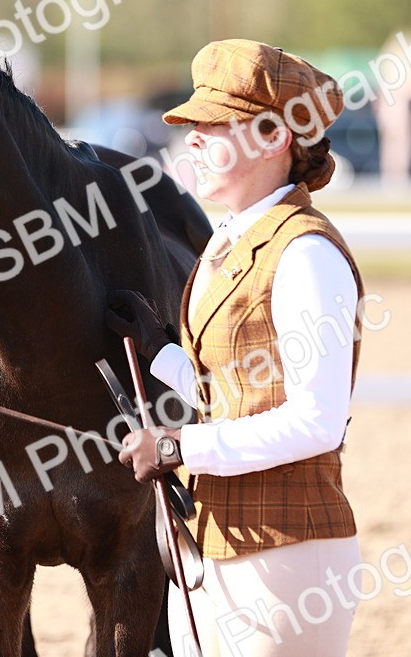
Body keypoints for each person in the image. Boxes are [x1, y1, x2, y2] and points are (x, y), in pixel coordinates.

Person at [106, 39, 366, 657]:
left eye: (214, 124)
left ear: (276, 138)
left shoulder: (306, 253)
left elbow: (316, 421)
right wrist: (161, 355)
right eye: (192, 124)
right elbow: (237, 393)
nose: (191, 137)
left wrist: (176, 445)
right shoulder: (227, 243)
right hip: (216, 548)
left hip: (289, 558)